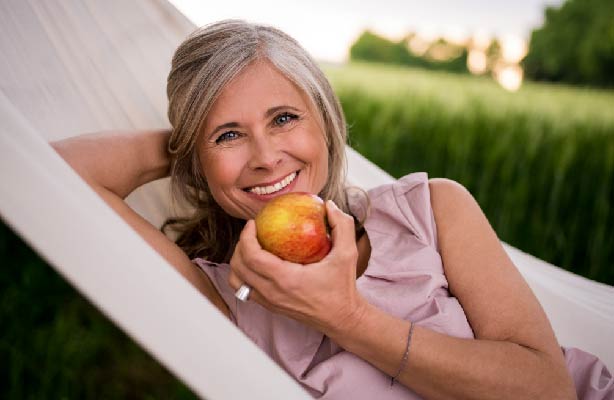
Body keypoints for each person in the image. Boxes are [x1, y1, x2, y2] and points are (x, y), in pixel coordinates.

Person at [51, 19, 612, 399]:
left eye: (284, 118)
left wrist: (346, 318)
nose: (267, 157)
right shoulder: (221, 297)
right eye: (230, 134)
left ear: (326, 120)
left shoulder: (430, 211)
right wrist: (192, 147)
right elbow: (51, 171)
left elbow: (548, 389)